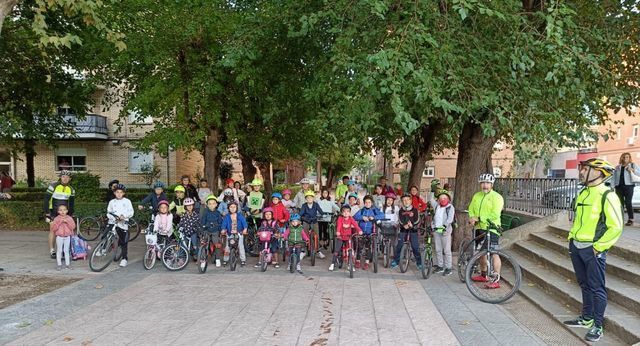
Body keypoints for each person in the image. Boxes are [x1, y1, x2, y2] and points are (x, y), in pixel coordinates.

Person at [563, 158, 623, 342]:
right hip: (577, 245)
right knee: (584, 284)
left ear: (598, 172)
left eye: (585, 168)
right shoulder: (583, 193)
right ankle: (587, 319)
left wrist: (598, 248)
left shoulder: (607, 195)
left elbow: (616, 226)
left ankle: (598, 326)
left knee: (597, 288)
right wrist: (572, 239)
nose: (581, 171)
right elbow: (578, 220)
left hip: (593, 249)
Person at [468, 173, 504, 289]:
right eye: (483, 183)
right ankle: (484, 275)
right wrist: (472, 217)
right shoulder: (476, 196)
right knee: (481, 253)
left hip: (492, 228)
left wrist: (479, 218)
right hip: (479, 228)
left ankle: (496, 279)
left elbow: (495, 214)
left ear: (492, 184)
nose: (485, 185)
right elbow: (471, 208)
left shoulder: (497, 197)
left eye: (487, 183)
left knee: (494, 253)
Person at [43, 170, 75, 259]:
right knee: (52, 230)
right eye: (63, 177)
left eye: (67, 177)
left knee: (65, 231)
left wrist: (71, 214)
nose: (65, 179)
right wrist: (47, 213)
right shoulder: (53, 186)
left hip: (64, 213)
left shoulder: (71, 189)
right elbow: (46, 200)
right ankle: (52, 250)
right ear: (60, 177)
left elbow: (71, 203)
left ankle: (64, 250)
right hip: (52, 211)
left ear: (70, 179)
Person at [391, 193, 422, 270]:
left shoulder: (415, 210)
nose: (406, 201)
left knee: (415, 247)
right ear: (402, 202)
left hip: (413, 230)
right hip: (403, 230)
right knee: (399, 245)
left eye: (407, 200)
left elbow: (417, 219)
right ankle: (396, 260)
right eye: (404, 200)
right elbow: (400, 219)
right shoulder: (401, 210)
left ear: (411, 201)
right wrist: (404, 224)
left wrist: (413, 224)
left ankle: (419, 263)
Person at [106, 184, 134, 267]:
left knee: (123, 242)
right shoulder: (112, 202)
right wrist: (113, 217)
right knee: (106, 234)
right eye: (117, 192)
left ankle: (124, 258)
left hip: (123, 224)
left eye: (121, 192)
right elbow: (109, 212)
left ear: (123, 193)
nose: (119, 194)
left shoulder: (127, 201)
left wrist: (124, 216)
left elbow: (131, 212)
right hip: (113, 223)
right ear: (114, 193)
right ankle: (103, 248)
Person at [354, 195, 384, 270]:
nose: (367, 204)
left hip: (370, 232)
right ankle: (357, 260)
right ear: (364, 203)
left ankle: (367, 262)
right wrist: (362, 217)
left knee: (368, 248)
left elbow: (382, 215)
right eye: (366, 202)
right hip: (361, 232)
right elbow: (354, 217)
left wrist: (374, 217)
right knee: (359, 247)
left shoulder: (374, 210)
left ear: (372, 203)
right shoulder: (361, 210)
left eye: (369, 202)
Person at [329, 204, 362, 271]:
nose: (346, 213)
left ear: (350, 213)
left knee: (350, 250)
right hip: (340, 237)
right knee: (337, 250)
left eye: (348, 211)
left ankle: (350, 265)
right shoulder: (340, 218)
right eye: (344, 211)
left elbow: (355, 225)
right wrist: (338, 232)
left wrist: (360, 230)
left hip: (348, 237)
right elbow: (339, 225)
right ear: (342, 212)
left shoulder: (351, 218)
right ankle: (332, 263)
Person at [430, 190, 455, 276]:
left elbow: (450, 219)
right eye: (441, 198)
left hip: (445, 231)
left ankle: (448, 268)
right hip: (437, 230)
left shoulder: (450, 207)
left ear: (448, 199)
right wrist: (432, 190)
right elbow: (431, 200)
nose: (442, 199)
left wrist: (444, 226)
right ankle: (440, 266)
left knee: (447, 250)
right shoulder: (437, 206)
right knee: (438, 249)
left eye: (444, 198)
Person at [613, 152, 640, 226]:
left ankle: (631, 219)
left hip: (629, 186)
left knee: (628, 202)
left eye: (627, 157)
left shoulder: (633, 165)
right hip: (618, 187)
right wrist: (612, 186)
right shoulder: (617, 167)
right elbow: (614, 177)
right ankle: (620, 219)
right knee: (619, 204)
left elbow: (639, 173)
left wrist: (632, 170)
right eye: (624, 157)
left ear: (629, 158)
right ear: (621, 158)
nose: (625, 158)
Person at [299, 190, 326, 259]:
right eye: (307, 198)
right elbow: (301, 213)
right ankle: (303, 251)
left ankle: (318, 251)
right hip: (306, 221)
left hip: (314, 221)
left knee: (317, 235)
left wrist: (323, 215)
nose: (309, 199)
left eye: (311, 197)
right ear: (306, 199)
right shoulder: (304, 205)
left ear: (313, 198)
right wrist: (300, 217)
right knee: (304, 235)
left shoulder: (316, 204)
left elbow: (320, 211)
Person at [221, 201, 248, 266]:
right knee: (227, 247)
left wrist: (245, 229)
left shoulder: (240, 216)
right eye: (231, 207)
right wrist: (223, 230)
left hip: (239, 233)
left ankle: (243, 260)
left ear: (236, 208)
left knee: (240, 246)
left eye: (234, 207)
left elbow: (244, 223)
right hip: (230, 233)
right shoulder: (227, 216)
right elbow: (224, 224)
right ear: (228, 208)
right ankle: (225, 259)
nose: (232, 208)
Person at [50, 205, 75, 270]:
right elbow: (54, 228)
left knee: (66, 250)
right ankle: (59, 265)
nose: (62, 211)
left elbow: (73, 227)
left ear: (67, 211)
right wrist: (59, 222)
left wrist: (67, 222)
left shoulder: (69, 218)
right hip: (59, 237)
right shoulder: (56, 219)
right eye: (60, 210)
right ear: (58, 211)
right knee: (59, 250)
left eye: (64, 210)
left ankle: (68, 265)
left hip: (67, 236)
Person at [201, 195, 224, 267]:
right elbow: (202, 221)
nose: (211, 205)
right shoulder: (205, 212)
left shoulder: (217, 213)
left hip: (215, 231)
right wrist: (203, 227)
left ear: (216, 204)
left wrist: (220, 230)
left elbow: (220, 222)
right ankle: (203, 260)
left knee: (217, 244)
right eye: (209, 204)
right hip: (207, 230)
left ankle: (217, 259)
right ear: (207, 205)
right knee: (204, 244)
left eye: (213, 203)